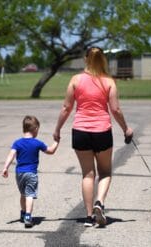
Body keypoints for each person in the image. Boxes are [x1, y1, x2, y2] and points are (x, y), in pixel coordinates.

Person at [53, 47, 133, 227]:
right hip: (102, 132)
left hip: (80, 132)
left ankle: (89, 216)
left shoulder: (75, 80)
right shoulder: (109, 81)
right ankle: (100, 202)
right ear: (102, 59)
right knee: (105, 172)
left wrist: (57, 129)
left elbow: (66, 108)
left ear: (85, 59)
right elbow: (115, 109)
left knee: (88, 174)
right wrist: (126, 129)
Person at [2, 115, 59, 228]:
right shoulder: (37, 143)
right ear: (36, 129)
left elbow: (11, 155)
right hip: (31, 174)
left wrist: (5, 167)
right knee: (29, 195)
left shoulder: (17, 142)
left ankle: (23, 213)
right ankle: (28, 216)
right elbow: (51, 151)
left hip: (19, 174)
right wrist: (57, 141)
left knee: (23, 194)